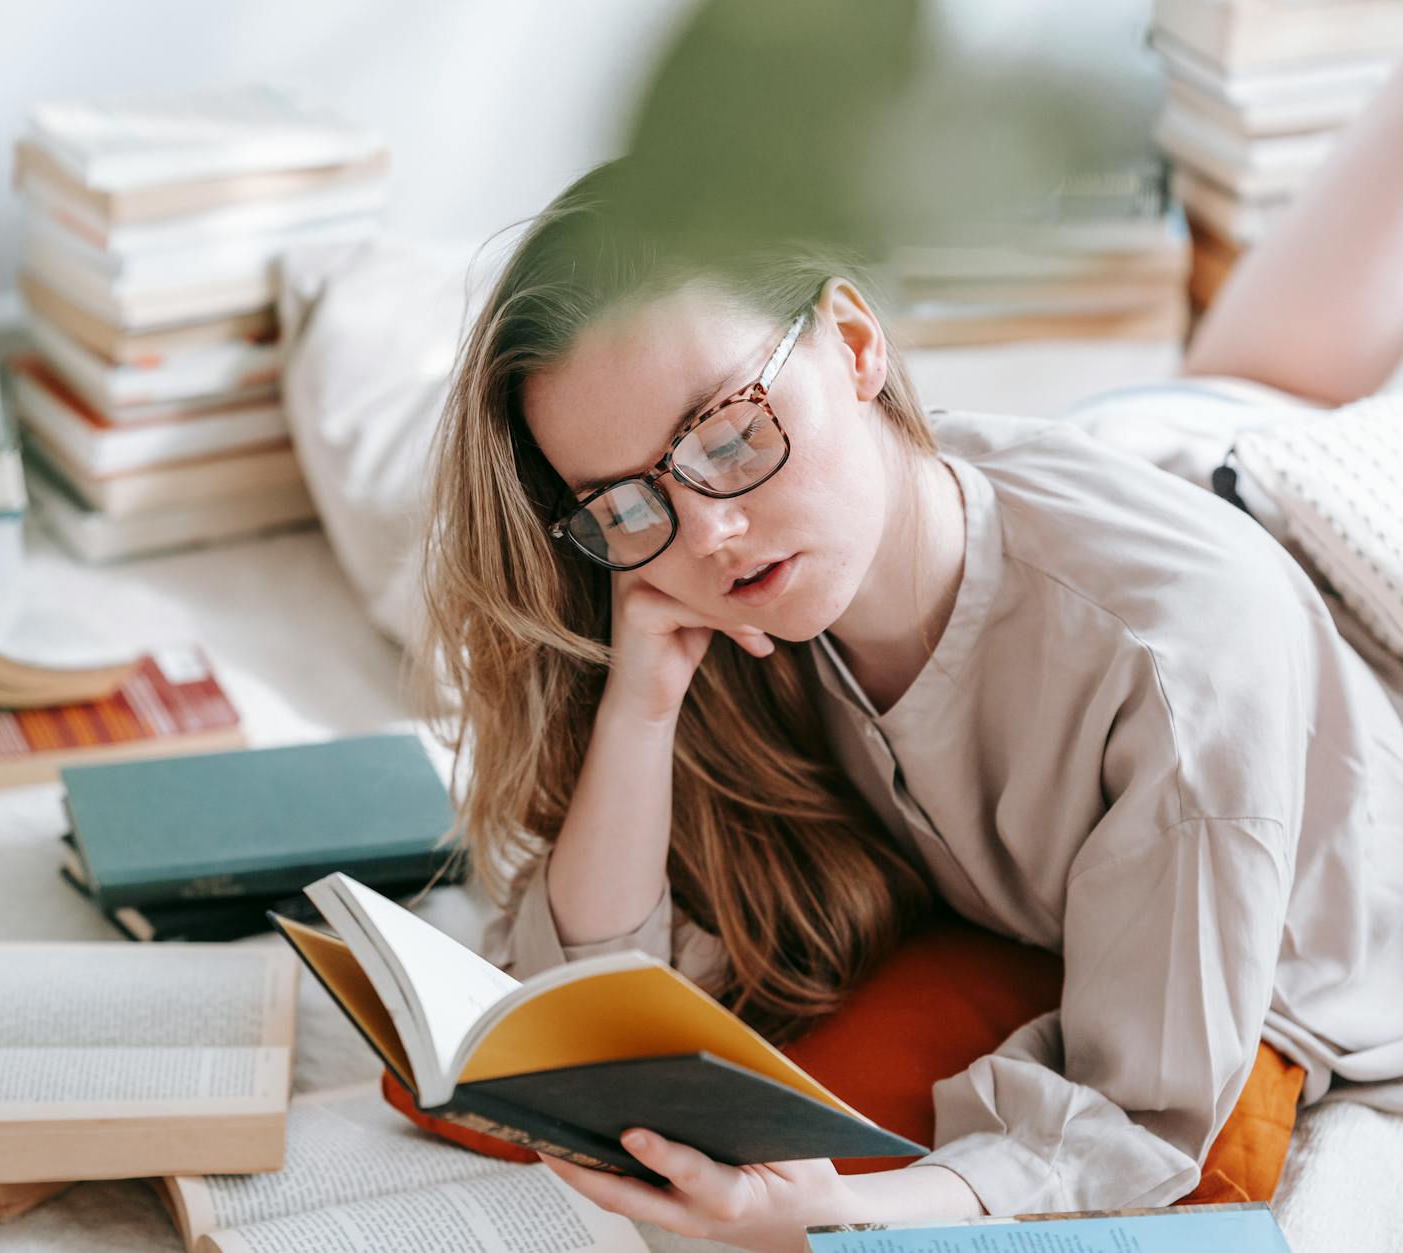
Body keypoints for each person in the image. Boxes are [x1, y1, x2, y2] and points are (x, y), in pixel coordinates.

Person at [418, 67, 1403, 1252]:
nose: (706, 529)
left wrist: (841, 1207)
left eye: (729, 432)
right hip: (1171, 442)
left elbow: (1136, 1117)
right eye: (626, 501)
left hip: (1331, 595)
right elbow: (583, 1000)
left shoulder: (1176, 667)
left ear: (852, 341)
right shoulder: (723, 593)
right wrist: (636, 708)